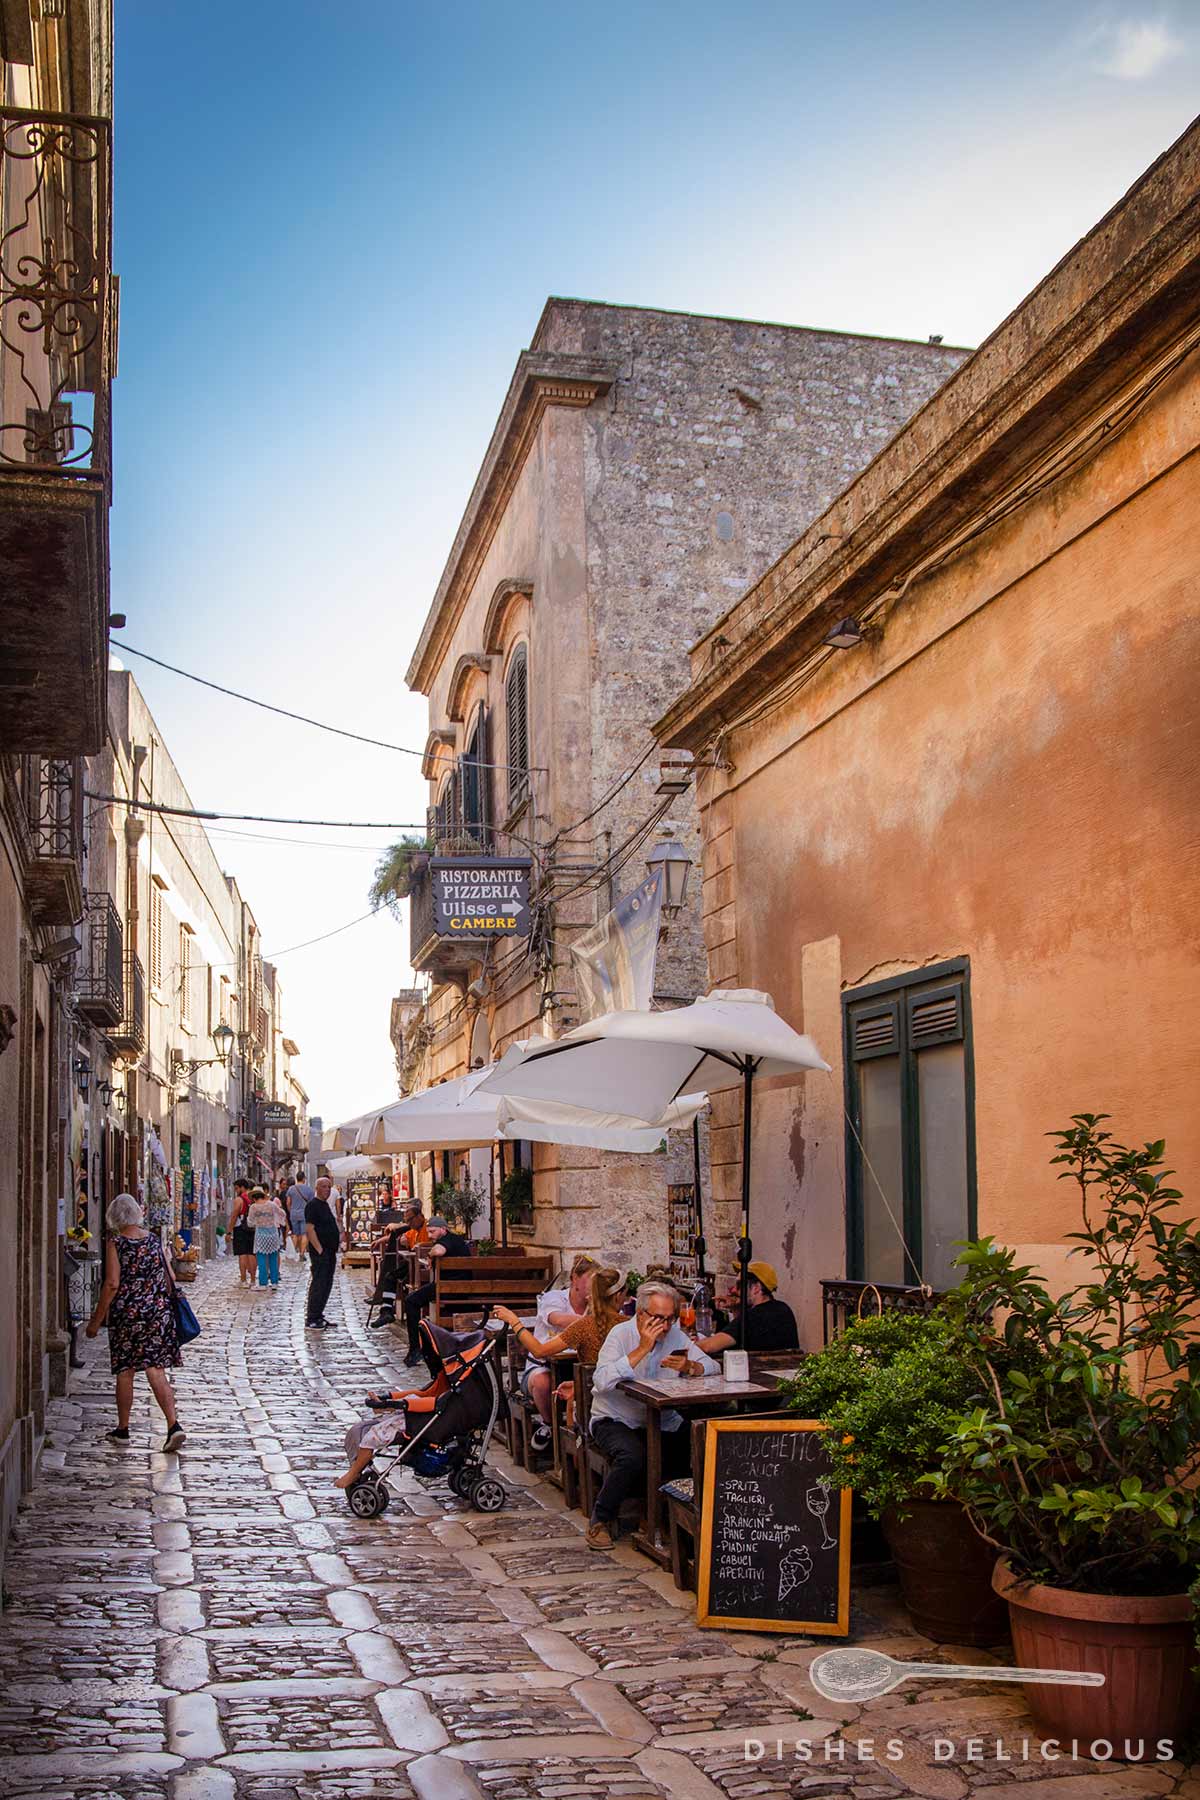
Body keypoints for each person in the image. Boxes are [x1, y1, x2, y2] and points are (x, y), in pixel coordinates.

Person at [585, 1279, 719, 1551]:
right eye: (659, 1318)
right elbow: (601, 1381)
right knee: (632, 1456)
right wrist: (641, 1350)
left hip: (661, 1419)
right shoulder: (621, 1335)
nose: (666, 1326)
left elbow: (713, 1366)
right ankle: (600, 1519)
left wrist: (691, 1365)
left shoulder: (675, 1336)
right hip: (615, 1418)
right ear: (641, 1314)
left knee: (697, 1447)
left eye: (670, 1318)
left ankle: (668, 1520)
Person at [85, 1193, 186, 1452]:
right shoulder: (153, 1240)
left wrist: (96, 1321)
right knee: (156, 1369)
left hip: (128, 1315)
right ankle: (173, 1425)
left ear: (114, 1217)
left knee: (126, 1371)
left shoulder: (116, 1243)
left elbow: (112, 1284)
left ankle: (123, 1429)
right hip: (157, 1313)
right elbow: (170, 1276)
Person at [495, 1263, 624, 1433]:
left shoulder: (584, 1326)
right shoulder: (630, 1325)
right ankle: (552, 1428)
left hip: (595, 1402)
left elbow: (539, 1350)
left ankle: (560, 1437)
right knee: (549, 1382)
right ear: (617, 1297)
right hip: (617, 1398)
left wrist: (514, 1321)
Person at [509, 1255, 598, 1451]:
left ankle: (581, 1437)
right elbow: (556, 1319)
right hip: (542, 1365)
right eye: (590, 1280)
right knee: (543, 1381)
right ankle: (551, 1427)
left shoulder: (596, 1306)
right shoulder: (554, 1298)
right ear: (574, 1278)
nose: (593, 1286)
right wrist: (595, 1321)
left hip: (575, 1366)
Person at [402, 1215, 470, 1366]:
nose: (431, 1235)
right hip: (461, 1288)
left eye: (433, 1232)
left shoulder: (447, 1240)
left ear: (443, 1229)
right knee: (417, 1298)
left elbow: (438, 1251)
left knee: (411, 1301)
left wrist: (429, 1255)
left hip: (448, 1287)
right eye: (429, 1232)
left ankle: (415, 1349)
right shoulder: (457, 1240)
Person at [693, 1261, 799, 1355]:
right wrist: (735, 1308)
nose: (733, 1290)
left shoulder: (755, 1316)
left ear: (756, 1288)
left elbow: (708, 1346)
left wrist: (684, 1348)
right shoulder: (782, 1308)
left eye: (739, 1285)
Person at [304, 1175, 341, 1330]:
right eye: (324, 1186)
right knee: (319, 1283)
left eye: (329, 1187)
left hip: (330, 1251)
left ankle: (319, 1314)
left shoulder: (324, 1205)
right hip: (321, 1252)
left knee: (327, 1283)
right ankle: (312, 1317)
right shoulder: (313, 1205)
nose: (327, 1189)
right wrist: (319, 1248)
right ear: (317, 1188)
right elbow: (310, 1229)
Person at [247, 1186, 282, 1289]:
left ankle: (263, 1283)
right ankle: (274, 1282)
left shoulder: (253, 1207)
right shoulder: (272, 1205)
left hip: (261, 1234)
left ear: (254, 1197)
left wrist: (258, 1222)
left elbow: (250, 1222)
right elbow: (281, 1214)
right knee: (273, 1258)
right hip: (272, 1233)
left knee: (261, 1259)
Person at [230, 1179, 255, 1286]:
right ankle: (253, 1280)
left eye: (237, 1188)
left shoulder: (239, 1200)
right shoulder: (253, 1198)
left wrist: (229, 1231)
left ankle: (243, 1280)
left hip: (240, 1228)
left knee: (242, 1254)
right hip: (252, 1228)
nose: (236, 1191)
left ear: (242, 1187)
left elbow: (234, 1215)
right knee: (251, 1253)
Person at [287, 1171, 315, 1256]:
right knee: (304, 1234)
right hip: (304, 1214)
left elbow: (288, 1202)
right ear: (303, 1179)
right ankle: (302, 1254)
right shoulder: (309, 1189)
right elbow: (311, 1204)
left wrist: (291, 1211)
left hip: (293, 1214)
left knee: (295, 1234)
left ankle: (293, 1253)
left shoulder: (291, 1189)